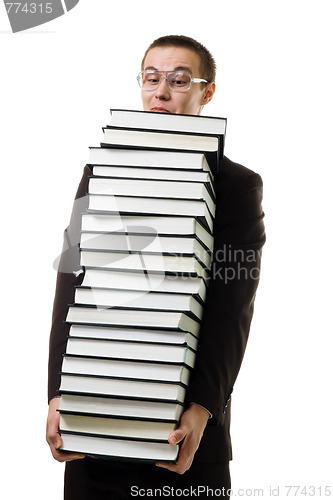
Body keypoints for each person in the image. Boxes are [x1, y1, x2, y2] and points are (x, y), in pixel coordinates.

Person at [46, 35, 266, 499]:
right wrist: (57, 395)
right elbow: (73, 282)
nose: (160, 93)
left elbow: (233, 306)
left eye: (179, 80)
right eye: (151, 79)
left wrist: (203, 408)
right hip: (93, 423)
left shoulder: (237, 186)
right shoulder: (102, 170)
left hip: (183, 437)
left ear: (207, 93)